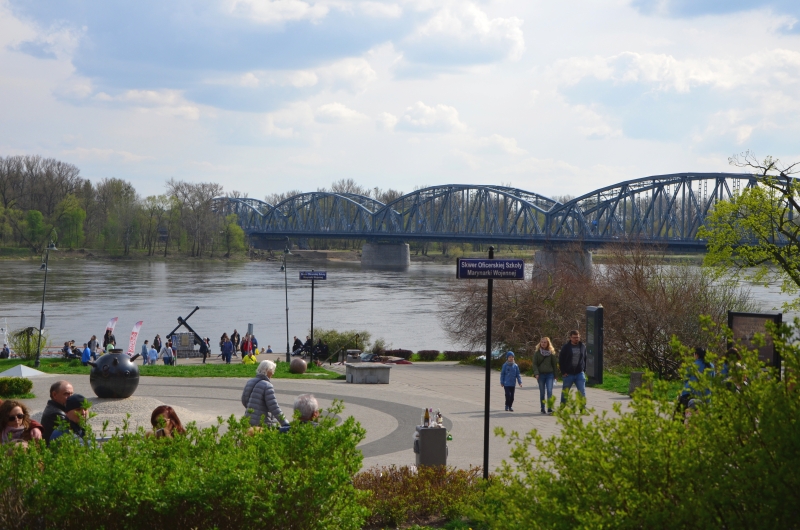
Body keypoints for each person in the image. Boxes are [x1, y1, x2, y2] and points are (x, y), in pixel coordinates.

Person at [241, 360, 289, 428]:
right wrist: (284, 422)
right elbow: (274, 407)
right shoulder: (267, 385)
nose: (273, 373)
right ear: (267, 370)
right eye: (272, 370)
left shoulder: (250, 382)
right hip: (263, 422)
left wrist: (253, 410)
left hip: (248, 419)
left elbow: (244, 400)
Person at [559, 330, 587, 407]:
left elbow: (585, 358)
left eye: (577, 337)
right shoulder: (566, 347)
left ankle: (582, 408)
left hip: (579, 373)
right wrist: (563, 371)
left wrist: (583, 370)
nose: (576, 339)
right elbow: (561, 360)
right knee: (565, 391)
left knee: (582, 391)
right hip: (568, 374)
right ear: (570, 338)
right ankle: (562, 406)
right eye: (574, 337)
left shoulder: (582, 346)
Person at [533, 337, 558, 414]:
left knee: (549, 391)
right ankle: (542, 407)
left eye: (545, 342)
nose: (543, 343)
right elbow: (535, 364)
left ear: (548, 343)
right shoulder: (537, 353)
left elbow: (554, 365)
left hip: (549, 374)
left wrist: (556, 375)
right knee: (542, 392)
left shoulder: (551, 353)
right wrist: (536, 373)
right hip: (540, 375)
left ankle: (550, 408)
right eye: (542, 342)